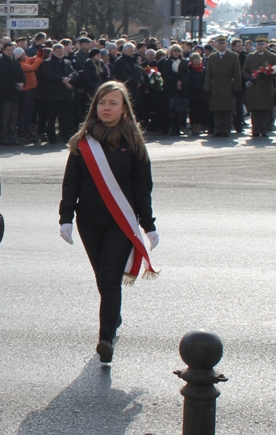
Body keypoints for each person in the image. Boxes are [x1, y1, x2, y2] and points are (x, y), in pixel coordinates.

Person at [60, 81, 157, 364]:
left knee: (110, 279)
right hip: (88, 221)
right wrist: (65, 217)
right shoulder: (83, 141)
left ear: (124, 108)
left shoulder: (133, 141)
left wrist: (148, 224)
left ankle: (105, 338)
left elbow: (142, 187)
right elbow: (71, 183)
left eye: (113, 103)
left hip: (119, 222)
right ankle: (113, 317)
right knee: (103, 278)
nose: (106, 108)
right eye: (102, 102)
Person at [204, 36, 241, 137]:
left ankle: (226, 129)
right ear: (216, 44)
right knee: (217, 109)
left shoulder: (233, 56)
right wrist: (207, 88)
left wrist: (237, 87)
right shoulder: (212, 57)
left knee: (227, 109)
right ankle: (218, 129)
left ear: (226, 44)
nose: (221, 45)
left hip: (228, 84)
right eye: (219, 43)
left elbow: (237, 73)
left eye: (223, 43)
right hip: (215, 85)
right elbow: (208, 74)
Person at [241, 36, 276, 138]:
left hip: (266, 85)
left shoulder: (272, 56)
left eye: (262, 44)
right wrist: (250, 77)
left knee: (265, 109)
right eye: (258, 44)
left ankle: (264, 129)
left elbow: (275, 69)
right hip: (254, 86)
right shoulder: (250, 56)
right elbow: (245, 70)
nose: (260, 46)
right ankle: (255, 129)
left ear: (266, 45)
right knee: (254, 109)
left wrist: (267, 74)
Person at [0, 42, 24, 145]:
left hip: (16, 93)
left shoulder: (16, 62)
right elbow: (2, 78)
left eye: (11, 50)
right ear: (4, 50)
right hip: (6, 93)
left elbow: (21, 74)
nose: (10, 52)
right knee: (5, 116)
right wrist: (15, 84)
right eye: (8, 50)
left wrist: (22, 83)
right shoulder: (0, 62)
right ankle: (4, 136)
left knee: (14, 116)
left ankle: (12, 135)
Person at [159, 45, 189, 136]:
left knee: (181, 109)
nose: (176, 53)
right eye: (174, 51)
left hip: (182, 88)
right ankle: (173, 128)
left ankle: (179, 128)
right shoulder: (166, 62)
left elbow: (187, 73)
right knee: (171, 109)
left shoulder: (184, 62)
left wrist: (181, 82)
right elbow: (167, 74)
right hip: (170, 87)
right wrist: (176, 82)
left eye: (178, 51)